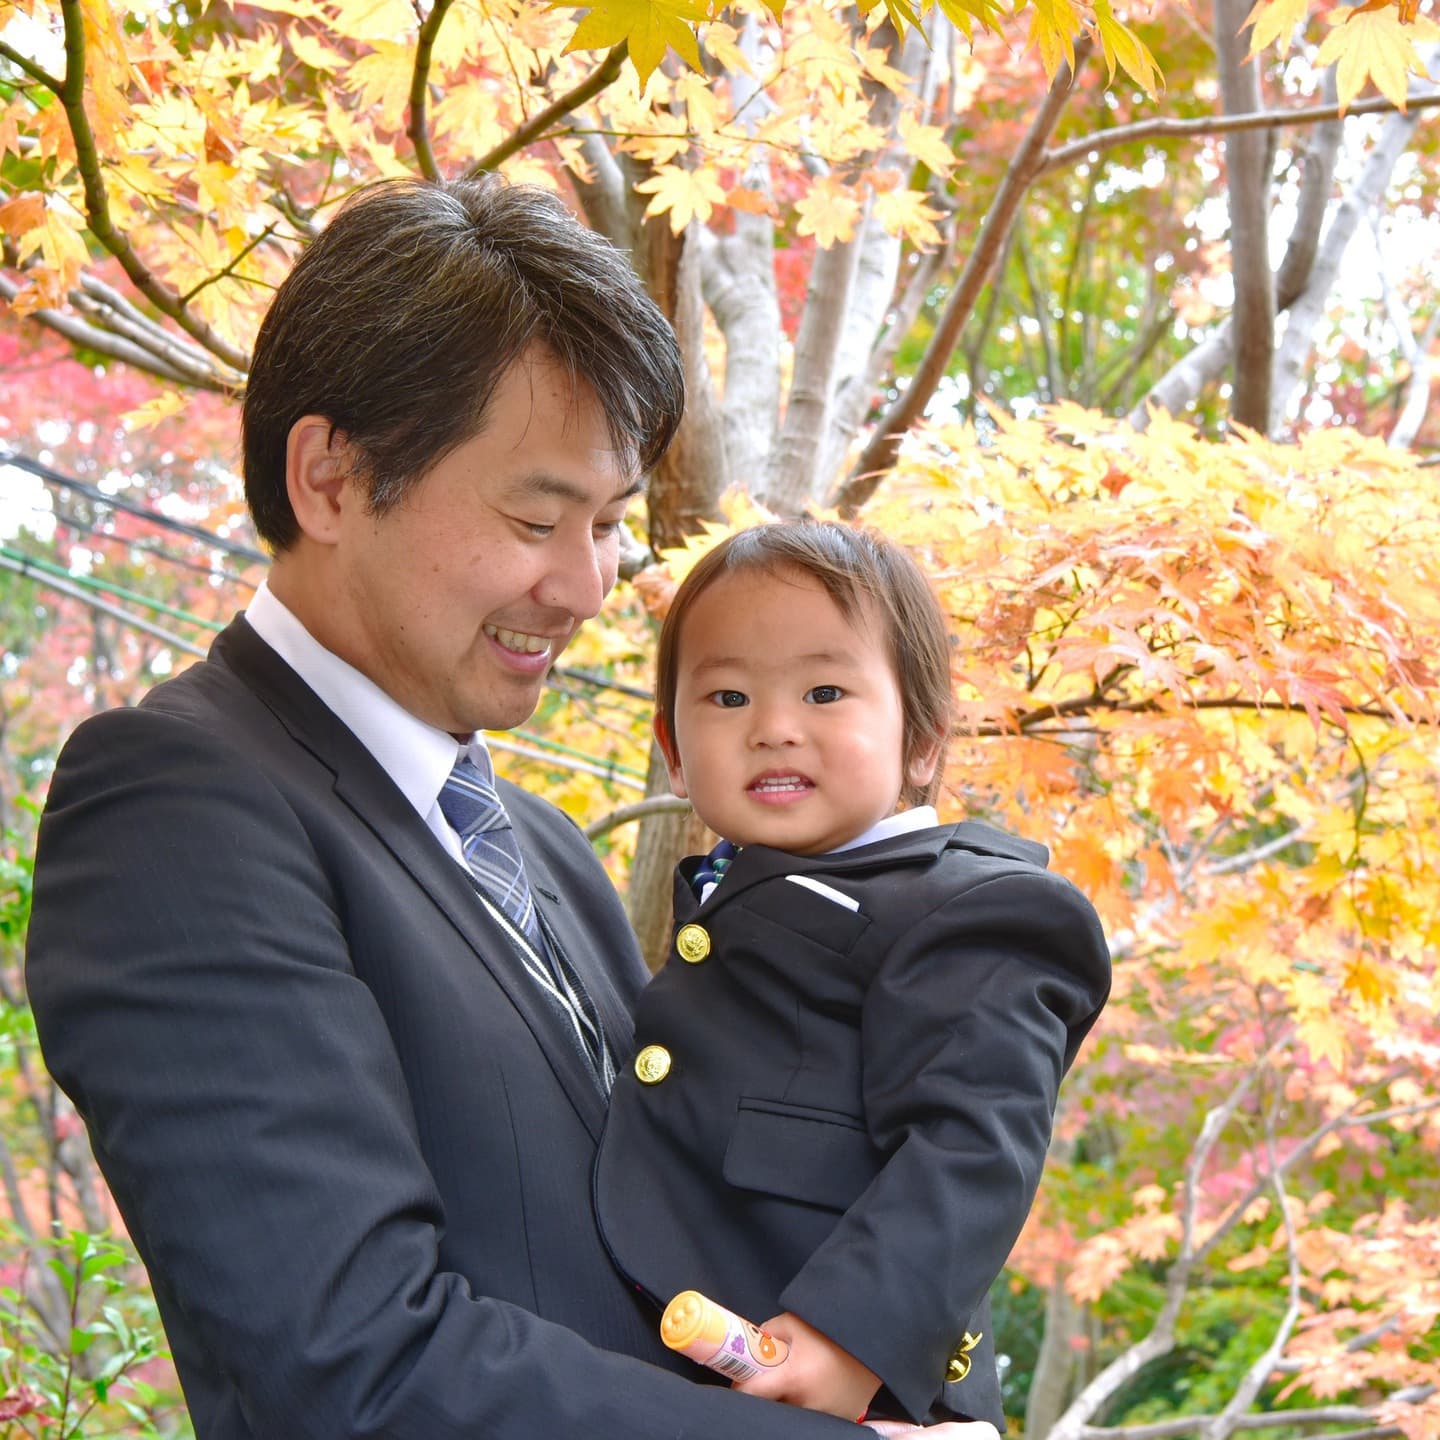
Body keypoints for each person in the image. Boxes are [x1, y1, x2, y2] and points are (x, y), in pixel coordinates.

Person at [24, 178, 999, 1440]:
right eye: (538, 518)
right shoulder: (177, 800)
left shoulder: (540, 848)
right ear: (328, 478)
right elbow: (349, 1363)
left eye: (607, 526)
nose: (586, 584)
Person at [594, 520, 1112, 1429]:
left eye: (825, 690)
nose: (774, 729)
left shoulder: (967, 909)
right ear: (672, 752)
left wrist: (855, 1333)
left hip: (863, 1396)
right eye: (725, 698)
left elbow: (973, 1147)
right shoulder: (726, 892)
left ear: (921, 741)